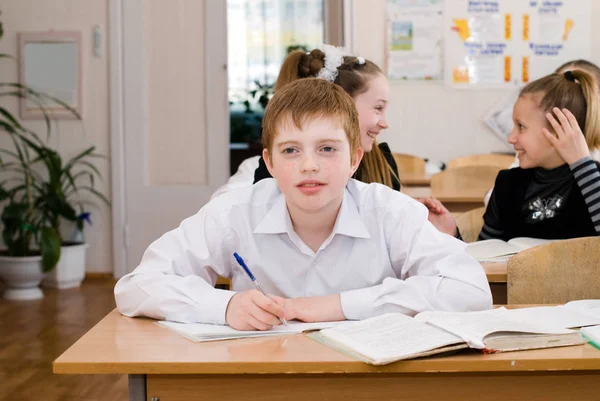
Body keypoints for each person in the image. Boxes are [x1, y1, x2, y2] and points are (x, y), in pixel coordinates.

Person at [114, 78, 492, 330]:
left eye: (327, 149)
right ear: (269, 164)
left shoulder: (390, 211)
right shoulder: (235, 212)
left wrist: (340, 305)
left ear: (355, 159)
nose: (309, 164)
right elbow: (137, 285)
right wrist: (224, 308)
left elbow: (470, 290)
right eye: (291, 150)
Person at [434, 70, 600, 241]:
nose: (511, 138)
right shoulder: (508, 183)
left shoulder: (593, 181)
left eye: (521, 126)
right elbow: (485, 259)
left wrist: (581, 162)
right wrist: (452, 234)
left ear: (559, 130)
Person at [253, 45, 401, 191]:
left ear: (355, 159)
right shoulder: (274, 171)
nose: (384, 123)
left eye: (328, 149)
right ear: (344, 102)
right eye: (378, 108)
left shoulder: (382, 164)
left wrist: (410, 211)